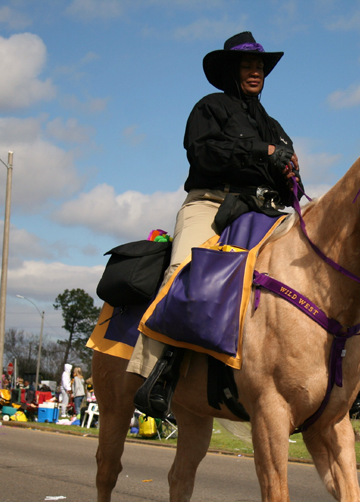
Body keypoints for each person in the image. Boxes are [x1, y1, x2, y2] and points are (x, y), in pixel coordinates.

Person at [127, 31, 302, 417]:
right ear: (231, 70)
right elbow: (204, 154)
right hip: (212, 202)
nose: (256, 71)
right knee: (184, 270)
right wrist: (262, 152)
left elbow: (290, 183)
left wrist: (291, 174)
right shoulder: (210, 107)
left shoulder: (274, 126)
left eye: (260, 66)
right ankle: (158, 373)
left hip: (264, 213)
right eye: (248, 65)